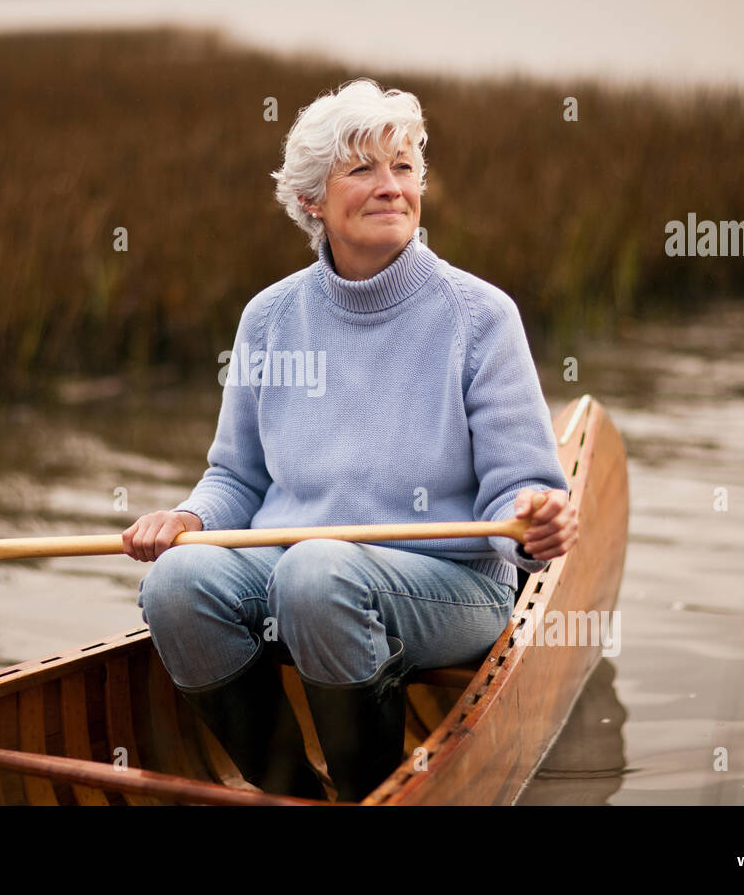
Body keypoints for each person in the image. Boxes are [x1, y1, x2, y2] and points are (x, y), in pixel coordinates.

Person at [124, 78, 578, 802]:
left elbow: (520, 495)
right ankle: (294, 793)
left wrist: (537, 519)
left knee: (317, 574)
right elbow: (237, 477)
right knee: (177, 583)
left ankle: (377, 793)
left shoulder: (478, 316)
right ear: (311, 200)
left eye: (404, 167)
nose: (392, 185)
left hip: (449, 587)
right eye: (363, 168)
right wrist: (190, 519)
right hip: (295, 575)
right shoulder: (268, 319)